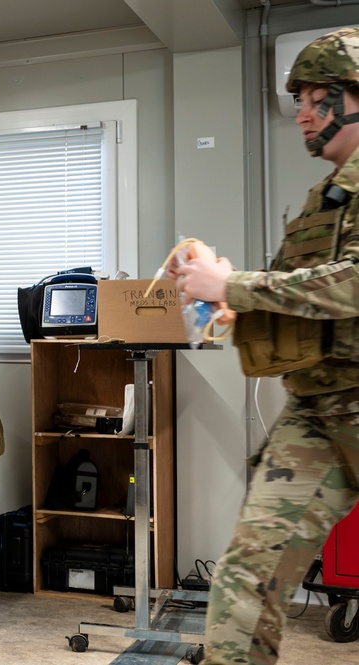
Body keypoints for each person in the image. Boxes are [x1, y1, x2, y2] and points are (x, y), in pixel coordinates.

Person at [169, 28, 359, 665]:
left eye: (315, 97)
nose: (301, 111)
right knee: (248, 571)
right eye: (300, 98)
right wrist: (218, 296)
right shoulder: (323, 198)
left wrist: (238, 284)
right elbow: (290, 296)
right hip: (318, 408)